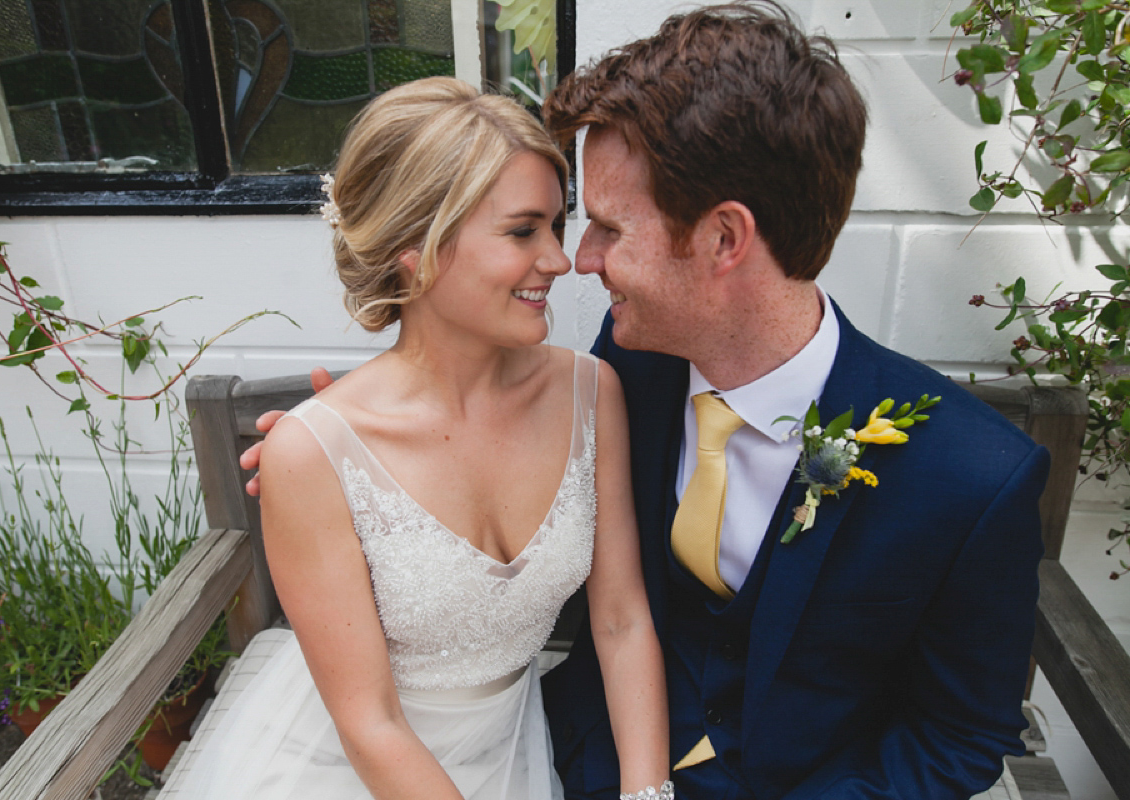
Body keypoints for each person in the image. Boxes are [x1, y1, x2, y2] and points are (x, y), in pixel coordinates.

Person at [245, 4, 1048, 798]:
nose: (576, 261)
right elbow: (455, 429)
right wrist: (335, 461)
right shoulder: (628, 375)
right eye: (554, 227)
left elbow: (961, 737)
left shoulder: (972, 477)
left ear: (724, 239)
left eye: (603, 228)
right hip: (569, 767)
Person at [174, 76, 670, 800]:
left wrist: (648, 796)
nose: (560, 261)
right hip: (353, 771)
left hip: (510, 754)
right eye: (523, 230)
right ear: (418, 245)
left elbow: (623, 622)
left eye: (555, 227)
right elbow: (370, 721)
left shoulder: (592, 394)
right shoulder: (315, 451)